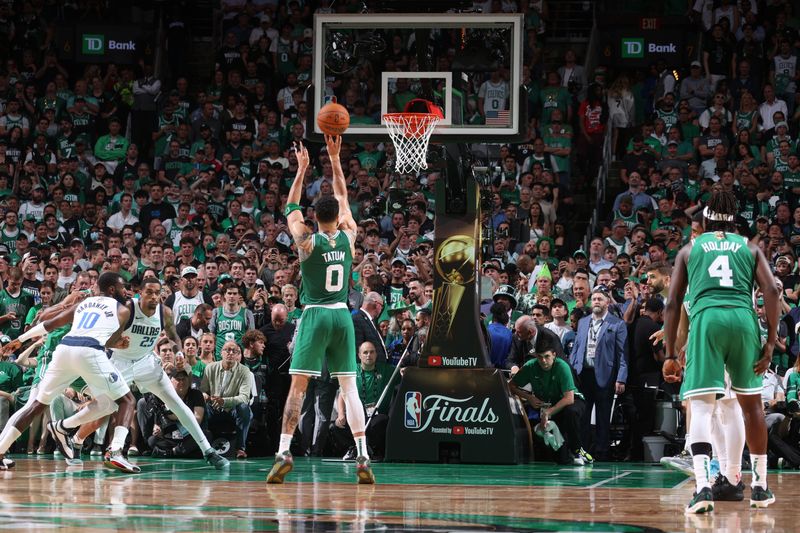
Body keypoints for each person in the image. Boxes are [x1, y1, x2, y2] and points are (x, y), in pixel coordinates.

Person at [266, 137, 374, 484]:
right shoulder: (349, 236)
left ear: (314, 217)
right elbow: (342, 195)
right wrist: (335, 157)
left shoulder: (306, 240)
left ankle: (284, 450)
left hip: (314, 313)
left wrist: (301, 168)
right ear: (339, 217)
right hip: (344, 313)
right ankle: (363, 456)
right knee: (350, 389)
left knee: (298, 388)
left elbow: (290, 205)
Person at [664, 191, 778, 512]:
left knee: (700, 408)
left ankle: (702, 488)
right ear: (734, 218)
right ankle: (759, 486)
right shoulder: (750, 247)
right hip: (743, 321)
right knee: (750, 406)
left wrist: (672, 353)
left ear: (707, 218)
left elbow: (672, 303)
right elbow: (770, 290)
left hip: (707, 320)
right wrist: (769, 343)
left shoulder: (690, 249)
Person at [0, 272, 138, 473]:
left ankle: (5, 449)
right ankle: (115, 451)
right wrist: (120, 345)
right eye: (122, 287)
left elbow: (50, 324)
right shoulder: (123, 310)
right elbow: (107, 342)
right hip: (89, 352)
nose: (125, 291)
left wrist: (20, 339)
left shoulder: (83, 304)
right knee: (127, 401)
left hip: (64, 350)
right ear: (111, 290)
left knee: (38, 405)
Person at [108, 277, 228, 468]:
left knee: (177, 404)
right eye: (149, 292)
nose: (154, 297)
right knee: (104, 407)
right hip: (121, 362)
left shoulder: (165, 312)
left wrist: (179, 352)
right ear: (140, 291)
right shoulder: (127, 310)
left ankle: (209, 451)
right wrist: (116, 343)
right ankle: (68, 430)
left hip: (147, 363)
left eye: (158, 292)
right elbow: (107, 340)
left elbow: (174, 336)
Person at [569, 285, 628, 461]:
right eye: (594, 299)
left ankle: (602, 453)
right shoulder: (583, 321)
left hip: (606, 375)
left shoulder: (617, 324)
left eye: (600, 299)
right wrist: (573, 370)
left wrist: (621, 378)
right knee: (583, 417)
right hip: (583, 374)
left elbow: (623, 354)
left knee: (603, 417)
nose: (596, 301)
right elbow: (577, 348)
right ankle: (583, 451)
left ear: (607, 302)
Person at [509, 347, 592, 465]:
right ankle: (564, 453)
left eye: (546, 356)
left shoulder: (562, 366)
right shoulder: (530, 366)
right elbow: (511, 386)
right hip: (549, 405)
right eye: (540, 357)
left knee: (571, 411)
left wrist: (548, 412)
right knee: (561, 460)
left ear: (554, 355)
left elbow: (569, 398)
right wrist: (530, 398)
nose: (543, 361)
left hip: (571, 401)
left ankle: (578, 450)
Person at [200, 340, 253, 459]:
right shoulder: (210, 368)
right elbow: (203, 390)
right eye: (227, 350)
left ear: (238, 354)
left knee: (245, 408)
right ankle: (203, 447)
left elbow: (244, 397)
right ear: (221, 353)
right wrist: (205, 395)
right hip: (213, 407)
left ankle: (241, 448)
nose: (230, 353)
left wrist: (224, 401)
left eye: (234, 351)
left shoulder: (245, 371)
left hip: (232, 409)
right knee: (201, 406)